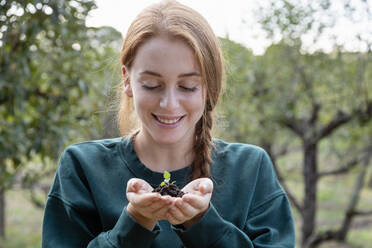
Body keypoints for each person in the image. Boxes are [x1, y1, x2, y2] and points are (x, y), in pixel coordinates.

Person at [42, 0, 295, 247]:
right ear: (127, 80)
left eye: (188, 86)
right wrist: (135, 222)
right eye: (152, 85)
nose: (169, 104)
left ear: (209, 86)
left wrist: (202, 223)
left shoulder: (251, 169)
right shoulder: (82, 167)